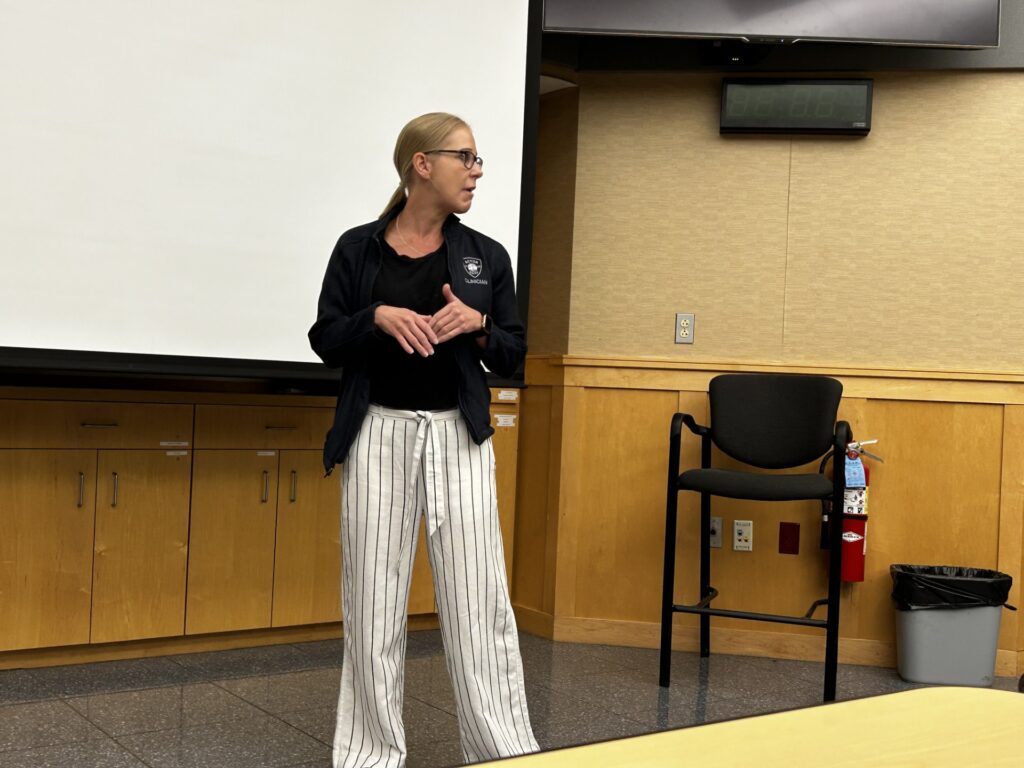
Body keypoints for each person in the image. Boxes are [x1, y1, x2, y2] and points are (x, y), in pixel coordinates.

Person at [309, 112, 538, 768]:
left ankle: (503, 753)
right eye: (465, 157)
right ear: (422, 164)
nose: (478, 169)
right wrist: (373, 317)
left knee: (477, 607)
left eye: (476, 159)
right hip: (376, 434)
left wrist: (481, 325)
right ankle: (367, 756)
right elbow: (325, 338)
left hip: (458, 442)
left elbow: (515, 353)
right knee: (372, 608)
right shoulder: (358, 250)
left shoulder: (485, 257)